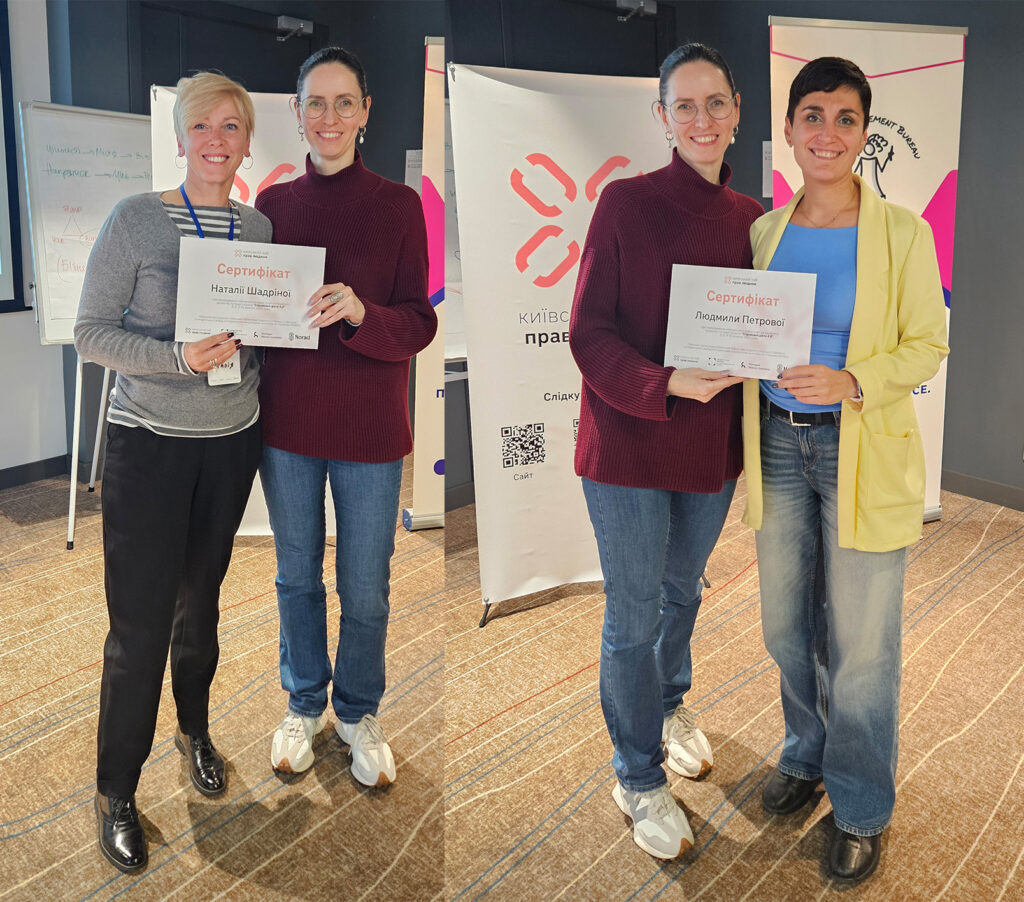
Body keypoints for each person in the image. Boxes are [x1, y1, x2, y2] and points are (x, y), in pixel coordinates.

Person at [742, 57, 949, 884]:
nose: (827, 133)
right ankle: (806, 750)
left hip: (859, 443)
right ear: (790, 130)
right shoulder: (764, 231)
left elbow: (927, 343)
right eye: (813, 116)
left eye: (846, 118)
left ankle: (860, 802)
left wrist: (853, 379)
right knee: (785, 626)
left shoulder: (903, 232)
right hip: (776, 444)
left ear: (864, 134)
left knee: (862, 643)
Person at [568, 43, 762, 860]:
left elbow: (764, 331)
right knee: (632, 613)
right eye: (684, 105)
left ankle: (670, 701)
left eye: (715, 103)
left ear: (737, 112)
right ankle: (637, 775)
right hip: (627, 444)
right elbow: (588, 334)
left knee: (682, 593)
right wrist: (665, 382)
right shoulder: (625, 203)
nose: (701, 119)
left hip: (709, 450)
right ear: (662, 117)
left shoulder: (756, 220)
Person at [75, 72, 271, 872]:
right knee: (141, 624)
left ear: (248, 140)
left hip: (230, 443)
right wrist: (177, 358)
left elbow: (260, 329)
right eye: (202, 126)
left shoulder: (258, 229)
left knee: (202, 606)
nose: (216, 140)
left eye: (232, 126)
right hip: (149, 444)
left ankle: (195, 731)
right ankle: (116, 788)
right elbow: (91, 333)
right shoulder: (136, 221)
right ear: (182, 137)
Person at [254, 47, 436, 786]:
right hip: (288, 428)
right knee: (296, 575)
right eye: (315, 103)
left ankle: (358, 710)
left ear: (366, 113)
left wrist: (362, 313)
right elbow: (259, 313)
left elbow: (419, 323)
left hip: (370, 433)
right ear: (296, 113)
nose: (329, 117)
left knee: (366, 585)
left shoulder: (399, 206)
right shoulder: (272, 206)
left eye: (344, 102)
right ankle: (303, 701)